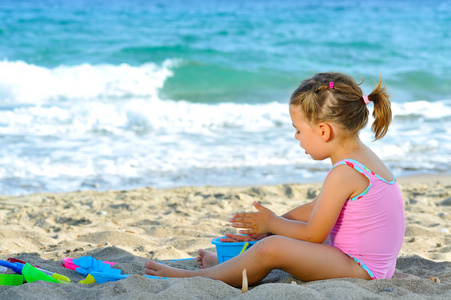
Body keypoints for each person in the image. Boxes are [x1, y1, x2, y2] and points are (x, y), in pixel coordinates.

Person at [144, 72, 405, 286]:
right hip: (372, 263)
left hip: (361, 269)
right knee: (274, 238)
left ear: (324, 131)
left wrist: (272, 223)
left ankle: (195, 278)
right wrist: (273, 226)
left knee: (272, 249)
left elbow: (314, 234)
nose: (296, 137)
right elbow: (317, 209)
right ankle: (229, 265)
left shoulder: (343, 172)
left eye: (299, 130)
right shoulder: (364, 159)